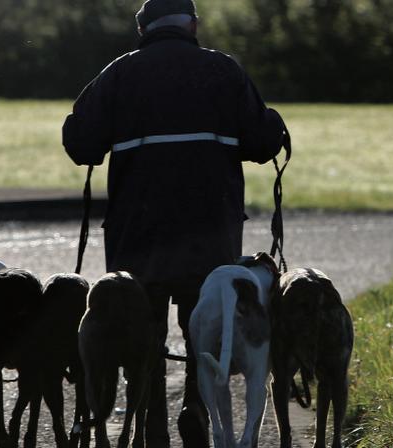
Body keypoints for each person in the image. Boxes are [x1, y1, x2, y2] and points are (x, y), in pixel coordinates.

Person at [62, 0, 286, 446]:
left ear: (142, 28)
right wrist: (273, 123)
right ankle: (196, 407)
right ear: (193, 25)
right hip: (210, 228)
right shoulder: (223, 71)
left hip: (138, 232)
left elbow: (82, 144)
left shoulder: (119, 73)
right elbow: (263, 143)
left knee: (144, 328)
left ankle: (152, 424)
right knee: (201, 323)